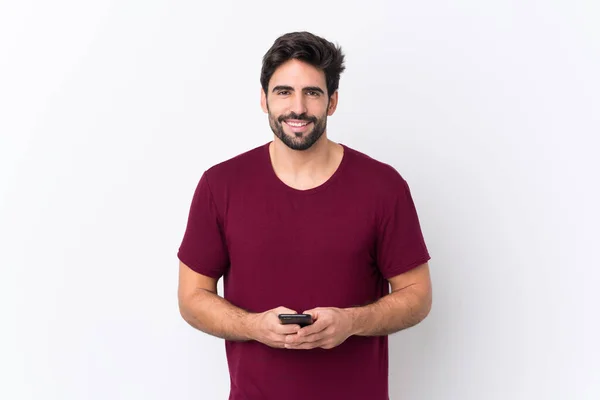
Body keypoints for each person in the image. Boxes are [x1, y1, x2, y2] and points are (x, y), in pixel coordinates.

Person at [177, 31, 432, 400]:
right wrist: (253, 326)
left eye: (312, 92)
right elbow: (191, 296)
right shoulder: (220, 185)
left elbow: (418, 295)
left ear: (332, 102)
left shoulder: (383, 186)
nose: (298, 108)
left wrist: (350, 322)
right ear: (264, 99)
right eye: (284, 92)